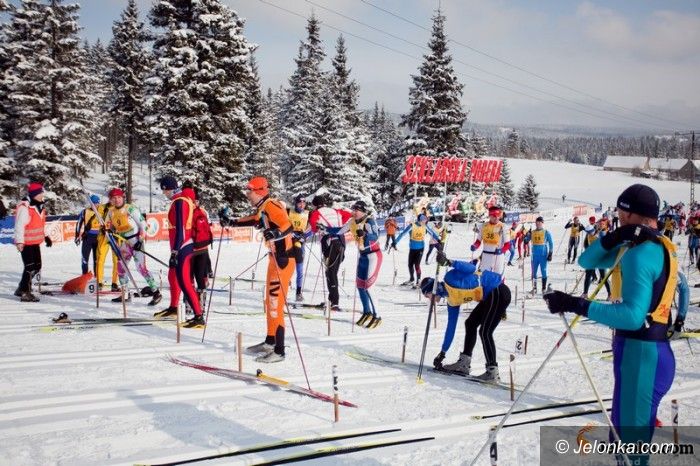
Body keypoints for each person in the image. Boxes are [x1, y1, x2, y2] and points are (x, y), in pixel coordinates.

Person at [544, 184, 680, 466]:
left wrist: (575, 304)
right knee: (622, 442)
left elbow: (632, 316)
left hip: (641, 355)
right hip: (645, 354)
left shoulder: (641, 253)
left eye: (620, 213)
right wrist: (617, 235)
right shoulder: (652, 245)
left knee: (630, 453)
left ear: (631, 213)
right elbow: (586, 261)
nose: (617, 217)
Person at [221, 177, 295, 362]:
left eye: (250, 191)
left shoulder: (273, 206)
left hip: (283, 259)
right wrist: (232, 222)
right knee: (269, 302)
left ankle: (279, 351)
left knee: (275, 305)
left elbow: (288, 226)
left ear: (260, 191)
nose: (247, 194)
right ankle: (270, 341)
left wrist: (276, 233)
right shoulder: (263, 207)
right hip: (274, 258)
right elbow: (254, 220)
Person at [423, 251, 510, 381]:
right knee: (470, 323)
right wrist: (443, 352)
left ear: (432, 290)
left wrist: (449, 262)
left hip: (497, 290)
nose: (429, 299)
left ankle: (492, 372)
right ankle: (464, 363)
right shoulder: (452, 301)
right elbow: (450, 328)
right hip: (489, 297)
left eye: (427, 295)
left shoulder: (449, 278)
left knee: (485, 332)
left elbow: (471, 268)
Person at [153, 177, 203, 326]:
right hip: (179, 246)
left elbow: (181, 230)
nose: (164, 193)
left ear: (170, 188)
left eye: (165, 190)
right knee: (172, 276)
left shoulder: (180, 201)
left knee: (184, 282)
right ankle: (173, 307)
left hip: (183, 246)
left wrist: (175, 252)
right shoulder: (179, 200)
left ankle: (199, 317)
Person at [104, 188, 161, 305]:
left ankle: (156, 292)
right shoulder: (110, 212)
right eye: (114, 198)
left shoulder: (130, 208)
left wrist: (140, 240)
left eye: (119, 197)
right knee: (121, 268)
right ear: (110, 200)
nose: (117, 200)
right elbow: (108, 227)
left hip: (136, 241)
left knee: (141, 268)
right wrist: (106, 230)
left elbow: (143, 224)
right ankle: (125, 294)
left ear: (123, 198)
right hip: (124, 243)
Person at [338, 200, 383, 328]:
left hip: (373, 255)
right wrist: (325, 229)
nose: (354, 212)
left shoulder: (369, 221)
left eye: (357, 210)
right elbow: (340, 231)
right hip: (362, 256)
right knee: (360, 285)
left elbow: (376, 235)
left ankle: (377, 316)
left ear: (363, 211)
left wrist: (365, 234)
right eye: (353, 210)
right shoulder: (352, 222)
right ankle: (367, 312)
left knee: (369, 287)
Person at [308, 194, 352, 311]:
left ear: (315, 205)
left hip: (330, 244)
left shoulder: (316, 213)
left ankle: (335, 303)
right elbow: (348, 214)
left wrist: (321, 227)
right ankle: (331, 300)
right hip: (341, 242)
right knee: (331, 272)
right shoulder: (335, 211)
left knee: (331, 272)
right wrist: (337, 224)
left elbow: (313, 228)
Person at [13, 182, 50, 302]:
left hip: (35, 242)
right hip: (26, 243)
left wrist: (46, 236)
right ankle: (25, 292)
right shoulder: (25, 207)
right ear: (35, 194)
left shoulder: (40, 206)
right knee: (30, 267)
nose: (42, 195)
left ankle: (22, 287)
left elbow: (40, 224)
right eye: (41, 193)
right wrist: (19, 242)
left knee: (37, 266)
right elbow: (19, 225)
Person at [394, 213, 440, 287]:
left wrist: (438, 240)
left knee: (417, 265)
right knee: (410, 265)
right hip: (412, 248)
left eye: (425, 221)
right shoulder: (412, 226)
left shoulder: (425, 226)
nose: (424, 222)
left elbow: (433, 234)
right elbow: (402, 234)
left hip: (420, 248)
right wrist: (395, 242)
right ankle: (411, 279)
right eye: (423, 221)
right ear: (419, 220)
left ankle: (418, 281)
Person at [190, 188, 213, 310]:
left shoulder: (190, 213)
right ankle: (200, 305)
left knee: (192, 278)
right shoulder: (202, 212)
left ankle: (192, 305)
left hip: (194, 249)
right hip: (202, 248)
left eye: (195, 201)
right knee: (198, 278)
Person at [470, 206, 509, 274]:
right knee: (484, 275)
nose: (496, 218)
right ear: (490, 216)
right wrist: (475, 246)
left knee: (497, 276)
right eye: (494, 216)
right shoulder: (483, 226)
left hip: (498, 257)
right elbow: (478, 241)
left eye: (498, 216)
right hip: (486, 256)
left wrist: (501, 250)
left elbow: (507, 244)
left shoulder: (503, 227)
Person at [287, 194, 310, 302]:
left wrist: (304, 236)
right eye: (299, 203)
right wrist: (289, 232)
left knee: (300, 268)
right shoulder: (289, 211)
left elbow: (312, 228)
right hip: (289, 241)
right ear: (296, 203)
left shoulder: (307, 213)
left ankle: (298, 292)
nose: (301, 205)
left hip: (300, 242)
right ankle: (285, 287)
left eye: (303, 203)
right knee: (287, 266)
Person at [581, 216, 611, 298]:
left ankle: (610, 294)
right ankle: (585, 293)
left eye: (590, 232)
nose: (589, 233)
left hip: (601, 259)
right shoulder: (589, 235)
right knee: (588, 275)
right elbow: (586, 245)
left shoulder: (600, 235)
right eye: (588, 232)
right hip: (592, 259)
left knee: (603, 277)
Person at [95, 196, 120, 291]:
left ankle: (114, 283)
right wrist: (102, 226)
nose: (114, 200)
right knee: (100, 259)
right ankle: (99, 282)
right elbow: (97, 219)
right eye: (112, 198)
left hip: (115, 237)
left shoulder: (120, 209)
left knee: (117, 261)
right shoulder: (102, 207)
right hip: (104, 235)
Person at [75, 194, 101, 275]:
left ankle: (97, 276)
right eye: (93, 203)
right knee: (84, 258)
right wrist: (77, 236)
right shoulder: (85, 211)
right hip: (87, 238)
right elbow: (79, 223)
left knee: (97, 259)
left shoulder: (102, 212)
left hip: (98, 238)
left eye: (96, 203)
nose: (95, 205)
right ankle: (84, 275)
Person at [530, 216, 554, 294]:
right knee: (534, 272)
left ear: (542, 223)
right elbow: (526, 240)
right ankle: (534, 288)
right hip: (535, 255)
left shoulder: (546, 232)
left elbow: (551, 243)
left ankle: (543, 288)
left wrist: (550, 253)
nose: (538, 224)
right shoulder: (532, 232)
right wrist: (526, 237)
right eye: (537, 223)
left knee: (543, 271)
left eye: (539, 223)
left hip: (543, 255)